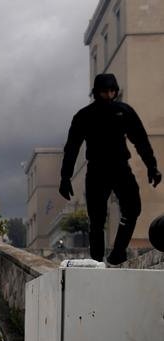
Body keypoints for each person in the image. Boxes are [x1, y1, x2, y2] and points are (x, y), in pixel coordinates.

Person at [60, 73, 161, 265]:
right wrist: (65, 177)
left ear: (115, 92)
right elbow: (72, 148)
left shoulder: (123, 112)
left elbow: (140, 140)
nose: (108, 95)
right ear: (96, 93)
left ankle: (118, 252)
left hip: (120, 167)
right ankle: (97, 260)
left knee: (133, 208)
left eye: (112, 91)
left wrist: (152, 166)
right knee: (97, 220)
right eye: (104, 92)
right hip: (97, 170)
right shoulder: (84, 116)